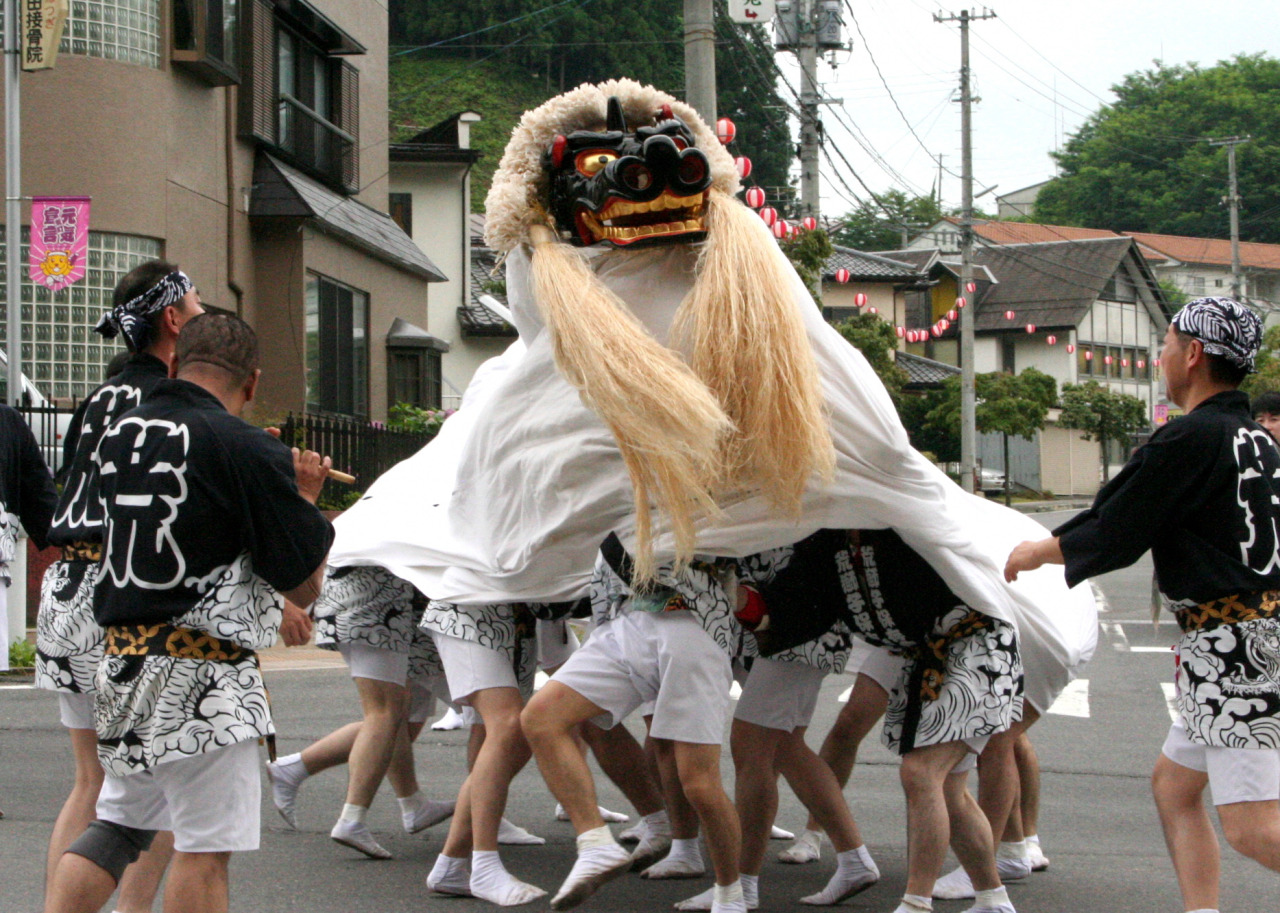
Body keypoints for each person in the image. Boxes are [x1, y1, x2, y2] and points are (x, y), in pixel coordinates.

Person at [44, 313, 333, 913]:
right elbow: (303, 588)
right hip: (202, 672)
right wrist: (304, 496)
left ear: (174, 366)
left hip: (120, 659)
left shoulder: (120, 433)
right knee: (203, 850)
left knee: (118, 827)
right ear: (251, 384)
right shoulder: (248, 447)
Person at [1006, 296, 1280, 913]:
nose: (1160, 358)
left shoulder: (1190, 436)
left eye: (1166, 344)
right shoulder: (1255, 440)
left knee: (1253, 827)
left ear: (1193, 354)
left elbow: (1116, 524)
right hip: (1245, 640)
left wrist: (1034, 551)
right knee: (1175, 787)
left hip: (1237, 649)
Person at [35, 261, 204, 910]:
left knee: (90, 782)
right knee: (155, 782)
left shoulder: (102, 395)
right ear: (171, 320)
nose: (203, 313)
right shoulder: (167, 399)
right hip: (120, 595)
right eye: (195, 304)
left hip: (65, 588)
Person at [269, 566, 455, 858]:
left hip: (390, 605)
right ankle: (351, 819)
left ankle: (412, 803)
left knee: (399, 721)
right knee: (385, 714)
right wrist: (287, 603)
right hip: (372, 604)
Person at [0, 402, 57, 673]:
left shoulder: (7, 421)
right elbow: (37, 489)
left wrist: (61, 537)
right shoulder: (6, 421)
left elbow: (37, 489)